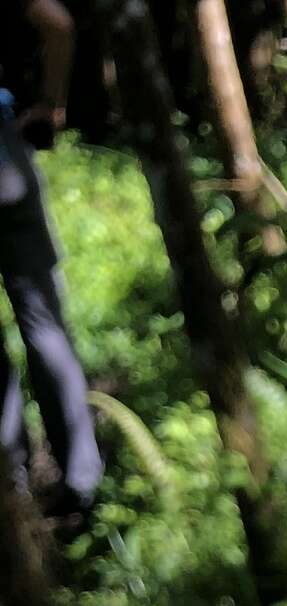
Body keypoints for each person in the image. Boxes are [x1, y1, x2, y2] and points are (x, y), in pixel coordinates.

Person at [0, 0, 101, 523]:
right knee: (44, 323)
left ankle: (13, 485)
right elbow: (59, 23)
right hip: (6, 158)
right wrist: (51, 103)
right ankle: (82, 482)